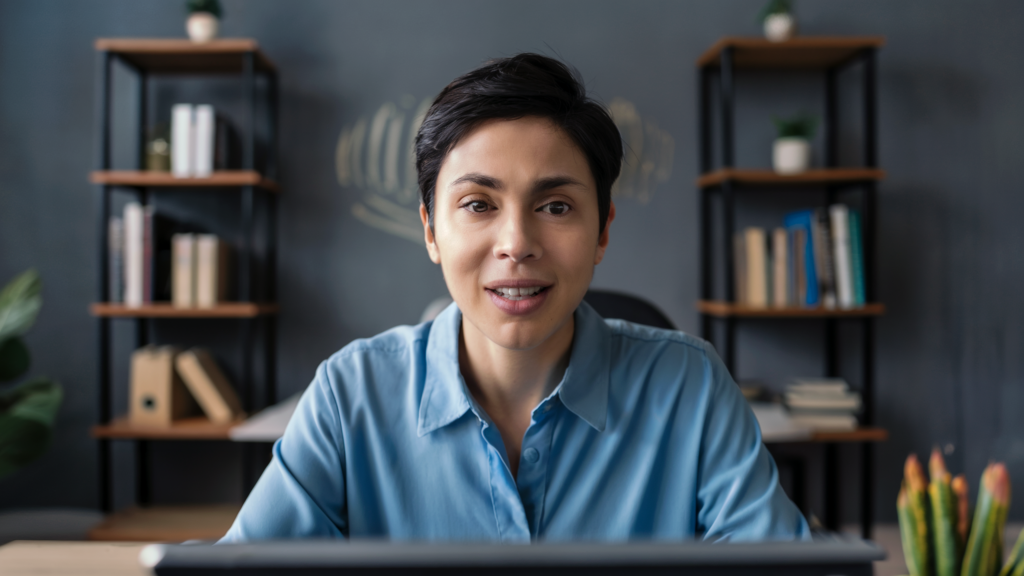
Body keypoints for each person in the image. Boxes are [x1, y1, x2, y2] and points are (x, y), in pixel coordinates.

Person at [220, 53, 809, 542]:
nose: (517, 244)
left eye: (555, 207)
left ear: (602, 230)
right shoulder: (350, 397)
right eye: (479, 204)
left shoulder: (692, 389)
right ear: (430, 230)